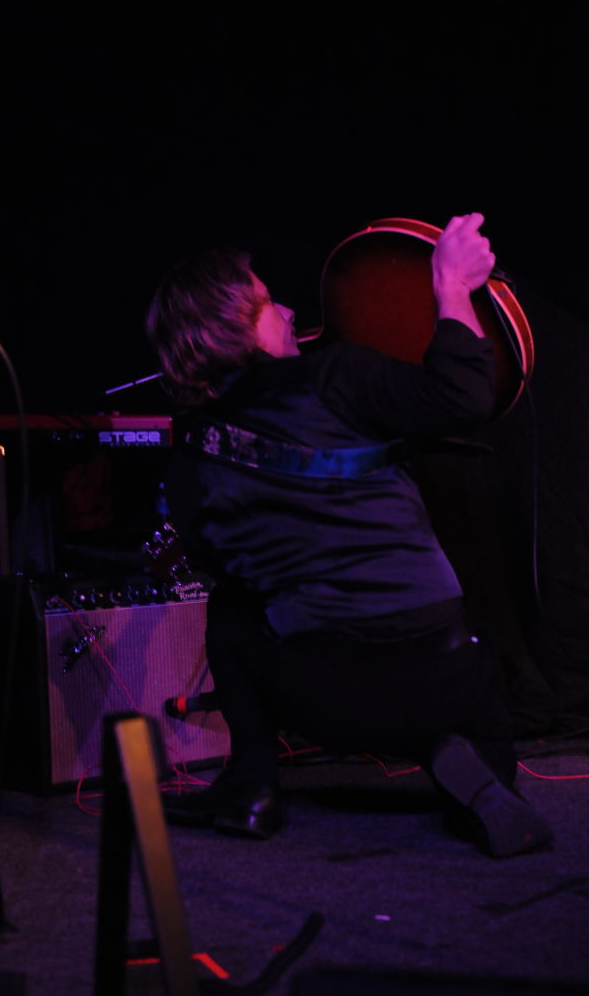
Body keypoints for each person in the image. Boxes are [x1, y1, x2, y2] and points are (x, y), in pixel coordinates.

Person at [146, 213, 552, 857]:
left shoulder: (189, 452)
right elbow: (464, 397)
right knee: (463, 688)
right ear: (232, 322)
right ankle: (462, 763)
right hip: (443, 679)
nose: (286, 310)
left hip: (321, 701)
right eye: (265, 301)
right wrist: (450, 286)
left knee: (231, 612)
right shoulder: (335, 374)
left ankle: (251, 785)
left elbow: (217, 561)